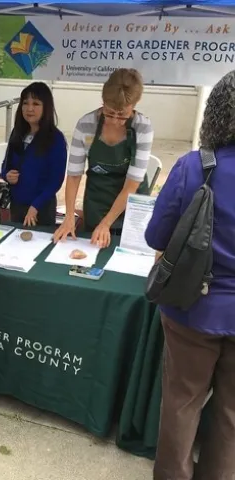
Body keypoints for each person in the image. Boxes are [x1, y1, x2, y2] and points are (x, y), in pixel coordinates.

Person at [146, 70, 235, 480]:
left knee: (182, 405)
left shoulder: (193, 167)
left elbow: (156, 235)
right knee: (231, 419)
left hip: (191, 309)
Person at [54, 68, 154, 247]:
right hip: (96, 203)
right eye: (109, 113)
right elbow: (74, 175)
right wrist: (69, 217)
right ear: (103, 101)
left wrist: (106, 223)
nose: (115, 120)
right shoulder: (86, 125)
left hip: (132, 207)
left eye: (122, 115)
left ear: (134, 105)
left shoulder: (142, 128)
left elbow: (132, 185)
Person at [1, 82, 67, 227]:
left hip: (41, 209)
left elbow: (56, 180)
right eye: (25, 103)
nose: (29, 108)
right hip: (17, 204)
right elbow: (6, 165)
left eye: (36, 104)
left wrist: (36, 206)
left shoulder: (56, 139)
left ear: (46, 107)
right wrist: (7, 175)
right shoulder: (17, 133)